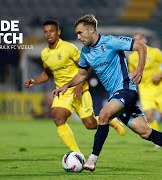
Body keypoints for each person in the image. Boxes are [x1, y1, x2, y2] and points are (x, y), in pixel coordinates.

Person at [53, 14, 162, 171]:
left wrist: (140, 68)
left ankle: (92, 160)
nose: (78, 36)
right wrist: (65, 86)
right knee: (145, 132)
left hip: (126, 88)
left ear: (91, 29)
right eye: (77, 33)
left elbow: (140, 46)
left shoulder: (110, 41)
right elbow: (81, 74)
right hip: (115, 95)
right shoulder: (86, 52)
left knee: (104, 115)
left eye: (80, 32)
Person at [24, 20, 125, 152]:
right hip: (62, 91)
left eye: (51, 31)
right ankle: (76, 153)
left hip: (80, 89)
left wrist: (79, 85)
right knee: (58, 117)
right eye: (46, 32)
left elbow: (86, 66)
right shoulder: (45, 54)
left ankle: (110, 120)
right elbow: (48, 73)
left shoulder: (69, 48)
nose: (48, 34)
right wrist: (34, 81)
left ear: (58, 32)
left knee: (90, 124)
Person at [128, 33, 162, 137]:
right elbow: (133, 72)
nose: (137, 43)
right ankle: (157, 139)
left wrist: (160, 75)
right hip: (145, 89)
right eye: (135, 40)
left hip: (159, 88)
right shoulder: (132, 57)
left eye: (139, 40)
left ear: (144, 40)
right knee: (149, 115)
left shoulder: (154, 52)